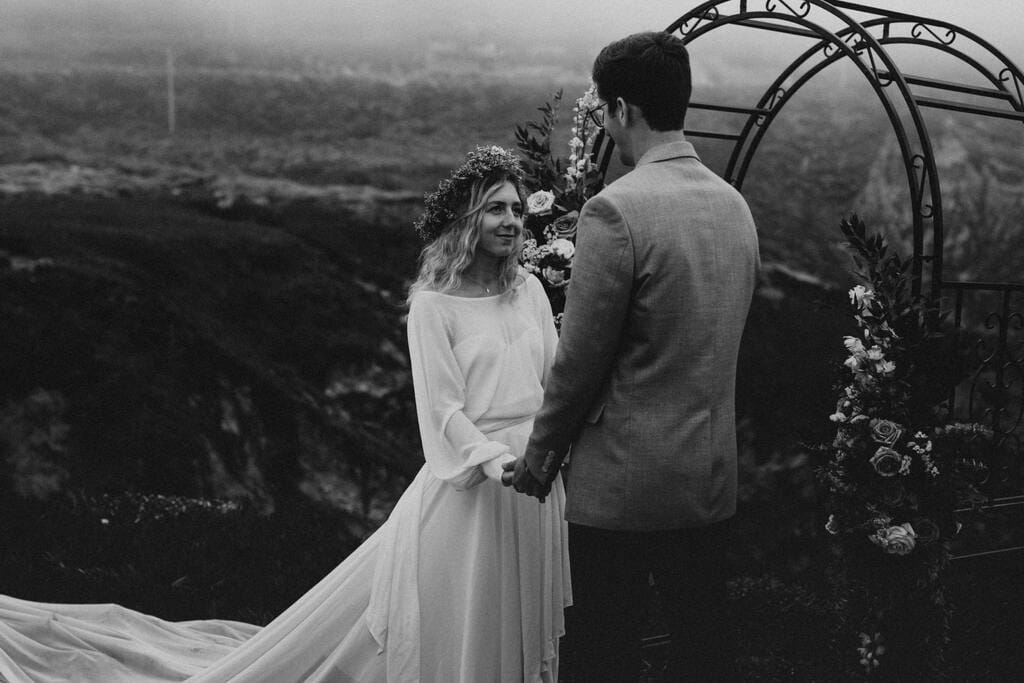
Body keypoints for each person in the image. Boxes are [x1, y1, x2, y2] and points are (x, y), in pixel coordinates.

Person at [0, 146, 570, 683]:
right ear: (466, 219)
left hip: (539, 477)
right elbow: (442, 412)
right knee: (464, 625)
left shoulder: (532, 293)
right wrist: (498, 463)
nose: (512, 221)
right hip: (475, 487)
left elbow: (554, 383)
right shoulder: (432, 306)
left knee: (520, 621)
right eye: (495, 208)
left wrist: (550, 451)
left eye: (518, 209)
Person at [503, 31, 760, 681]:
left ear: (621, 110)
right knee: (705, 644)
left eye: (605, 110)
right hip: (709, 481)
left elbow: (580, 361)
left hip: (622, 488)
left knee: (601, 649)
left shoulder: (615, 211)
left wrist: (539, 459)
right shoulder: (737, 209)